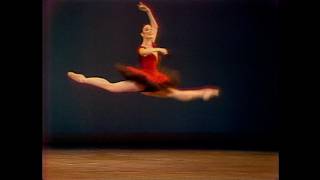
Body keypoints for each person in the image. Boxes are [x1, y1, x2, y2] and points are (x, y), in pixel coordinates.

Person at [68, 2, 219, 102]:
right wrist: (159, 49)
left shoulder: (151, 40)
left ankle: (205, 92)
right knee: (112, 87)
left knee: (176, 94)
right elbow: (145, 53)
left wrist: (148, 11)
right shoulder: (142, 47)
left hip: (154, 79)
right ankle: (83, 79)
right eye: (146, 29)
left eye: (150, 29)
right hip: (144, 79)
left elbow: (156, 26)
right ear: (142, 34)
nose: (150, 30)